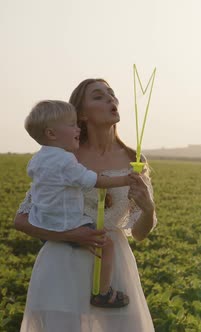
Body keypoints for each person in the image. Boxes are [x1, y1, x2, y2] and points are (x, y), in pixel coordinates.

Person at [14, 78, 157, 331]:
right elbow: (22, 220)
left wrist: (148, 208)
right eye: (99, 96)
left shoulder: (134, 159)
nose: (111, 99)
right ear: (81, 114)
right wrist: (73, 235)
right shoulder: (63, 157)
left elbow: (139, 233)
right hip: (63, 265)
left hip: (115, 269)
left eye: (112, 94)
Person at [24, 99, 133, 308]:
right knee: (106, 245)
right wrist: (125, 180)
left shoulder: (36, 160)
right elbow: (95, 181)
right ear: (52, 134)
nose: (77, 129)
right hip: (70, 225)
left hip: (46, 222)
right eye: (72, 124)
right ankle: (103, 292)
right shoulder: (66, 160)